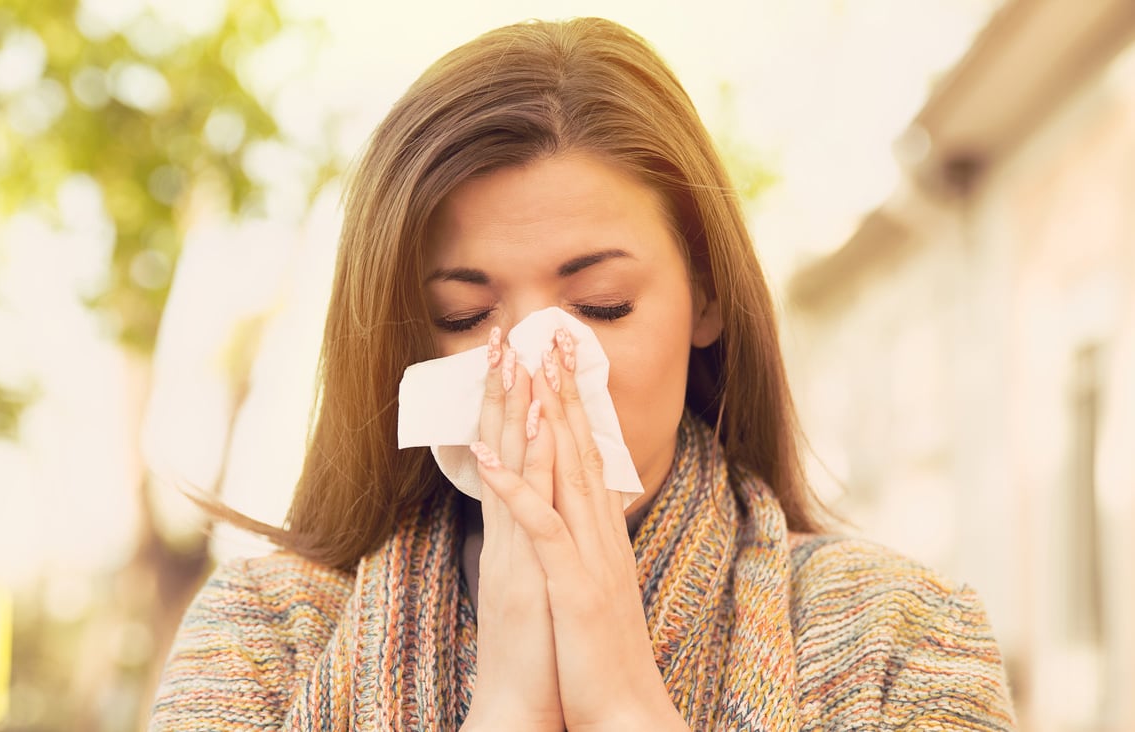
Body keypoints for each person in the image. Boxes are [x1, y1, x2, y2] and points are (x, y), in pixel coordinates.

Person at [149, 17, 1016, 730]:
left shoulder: (901, 638)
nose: (536, 373)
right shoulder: (263, 638)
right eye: (464, 317)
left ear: (705, 300)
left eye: (599, 306)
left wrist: (624, 701)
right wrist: (510, 703)